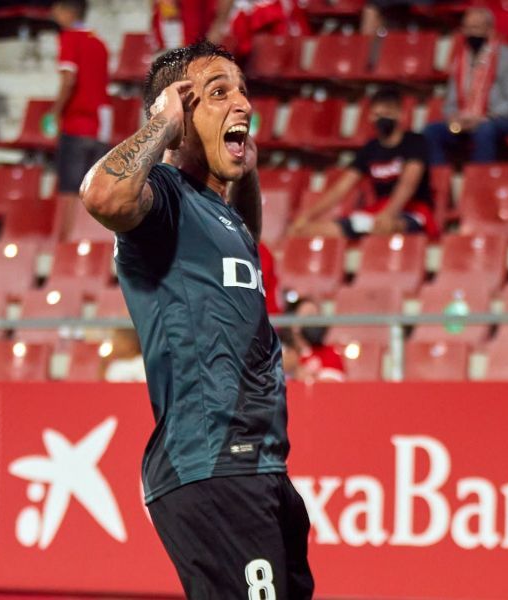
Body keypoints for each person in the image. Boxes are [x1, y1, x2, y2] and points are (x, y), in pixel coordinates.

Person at [80, 41, 314, 598]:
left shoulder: (216, 213)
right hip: (211, 466)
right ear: (180, 114)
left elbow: (242, 241)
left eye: (241, 90)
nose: (242, 103)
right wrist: (162, 123)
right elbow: (103, 196)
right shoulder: (161, 198)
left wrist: (246, 174)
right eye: (217, 93)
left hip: (258, 464)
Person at [289, 86, 437, 239]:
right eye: (377, 114)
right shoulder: (370, 149)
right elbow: (341, 188)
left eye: (387, 113)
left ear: (399, 114)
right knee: (305, 231)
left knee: (385, 228)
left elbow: (408, 184)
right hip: (376, 214)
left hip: (411, 212)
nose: (381, 118)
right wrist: (307, 216)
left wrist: (388, 214)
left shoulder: (415, 142)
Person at [421, 6, 508, 165]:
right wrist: (456, 118)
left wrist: (483, 118)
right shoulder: (460, 61)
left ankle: (479, 183)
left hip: (503, 119)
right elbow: (450, 103)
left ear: (489, 30)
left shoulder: (507, 57)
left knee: (485, 130)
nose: (472, 33)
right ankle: (439, 182)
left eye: (477, 28)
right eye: (468, 28)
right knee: (431, 131)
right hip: (468, 119)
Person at [49, 0, 111, 217]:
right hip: (101, 125)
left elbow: (69, 80)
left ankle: (64, 244)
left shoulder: (69, 38)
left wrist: (54, 112)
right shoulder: (99, 43)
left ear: (68, 11)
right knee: (93, 192)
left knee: (69, 192)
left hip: (77, 123)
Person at [286, 297, 345, 382]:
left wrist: (310, 377)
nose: (314, 321)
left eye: (316, 315)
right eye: (308, 315)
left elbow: (334, 385)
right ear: (294, 325)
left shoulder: (330, 353)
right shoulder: (282, 353)